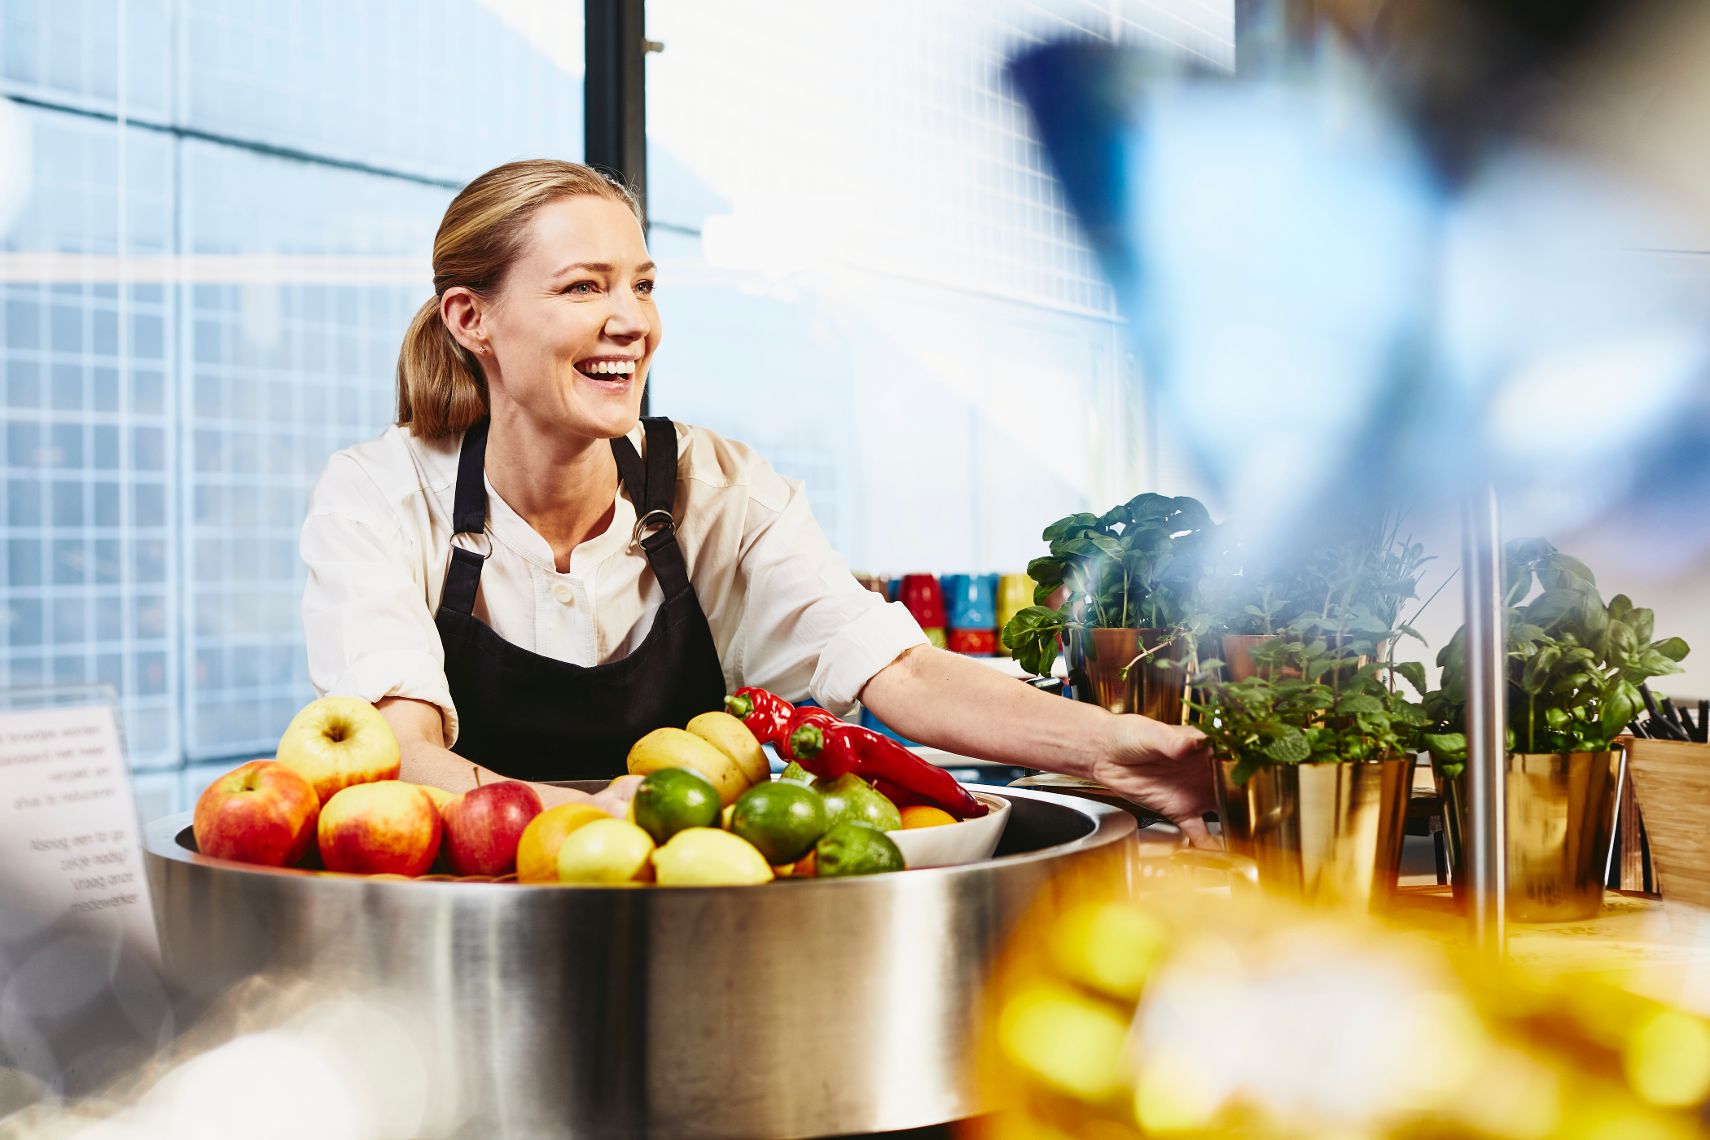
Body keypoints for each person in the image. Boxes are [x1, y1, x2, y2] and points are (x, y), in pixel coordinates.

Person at [299, 159, 1215, 842]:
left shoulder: (718, 488)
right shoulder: (380, 495)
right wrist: (586, 817)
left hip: (705, 909)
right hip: (470, 921)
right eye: (584, 287)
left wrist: (1112, 749)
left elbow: (893, 669)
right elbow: (398, 748)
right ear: (472, 320)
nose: (632, 320)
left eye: (642, 284)